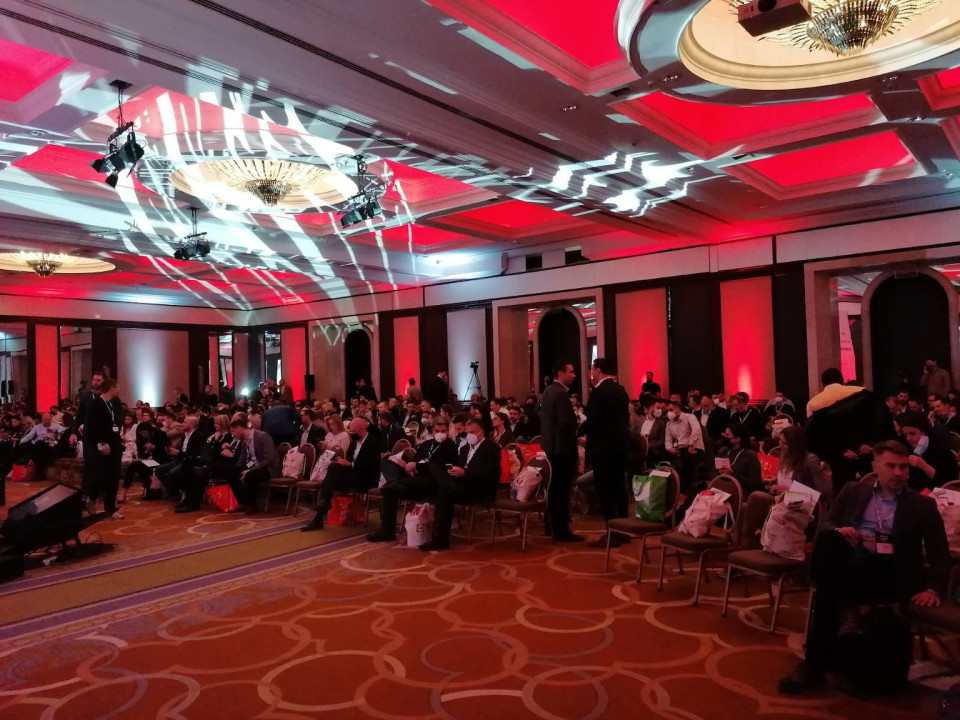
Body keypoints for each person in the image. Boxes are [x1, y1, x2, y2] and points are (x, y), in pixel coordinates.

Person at [778, 440, 949, 695]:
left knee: (828, 594)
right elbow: (827, 524)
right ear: (875, 466)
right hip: (853, 563)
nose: (899, 473)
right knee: (832, 542)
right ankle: (846, 619)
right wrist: (841, 530)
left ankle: (814, 665)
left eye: (903, 467)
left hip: (891, 571)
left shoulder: (921, 505)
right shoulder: (853, 491)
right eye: (891, 466)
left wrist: (933, 589)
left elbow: (939, 551)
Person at [367, 418, 458, 542]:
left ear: (448, 431)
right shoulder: (426, 444)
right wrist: (409, 466)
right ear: (432, 431)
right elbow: (416, 460)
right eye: (437, 431)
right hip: (415, 477)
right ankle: (387, 531)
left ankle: (395, 482)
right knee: (387, 466)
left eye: (443, 431)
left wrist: (417, 466)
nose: (440, 434)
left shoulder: (450, 446)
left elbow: (440, 468)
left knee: (390, 487)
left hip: (431, 482)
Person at [419, 418, 502, 551]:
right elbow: (460, 467)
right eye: (467, 432)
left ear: (481, 432)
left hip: (480, 488)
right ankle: (439, 538)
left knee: (444, 492)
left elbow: (489, 472)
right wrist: (454, 471)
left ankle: (440, 539)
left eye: (472, 432)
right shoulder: (464, 449)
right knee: (435, 470)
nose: (469, 435)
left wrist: (465, 473)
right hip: (462, 485)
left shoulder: (492, 448)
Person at [806, 368, 896, 489]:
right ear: (842, 381)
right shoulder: (862, 392)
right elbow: (881, 420)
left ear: (822, 384)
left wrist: (842, 450)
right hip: (866, 454)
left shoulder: (813, 403)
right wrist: (872, 444)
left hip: (837, 461)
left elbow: (815, 437)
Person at [581, 359, 631, 547]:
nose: (591, 373)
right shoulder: (621, 391)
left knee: (605, 490)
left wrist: (577, 430)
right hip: (620, 447)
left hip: (603, 448)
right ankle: (624, 531)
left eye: (592, 369)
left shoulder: (599, 392)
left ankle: (612, 533)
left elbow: (593, 421)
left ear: (598, 370)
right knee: (619, 489)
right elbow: (625, 418)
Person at [301, 417, 380, 531]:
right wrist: (342, 462)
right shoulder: (354, 443)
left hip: (366, 478)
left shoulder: (373, 443)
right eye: (350, 431)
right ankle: (321, 511)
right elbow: (348, 459)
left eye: (353, 431)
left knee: (334, 473)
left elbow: (371, 467)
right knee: (334, 467)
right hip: (352, 475)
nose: (351, 434)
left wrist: (350, 464)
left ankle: (322, 509)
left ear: (362, 429)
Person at [539, 361, 583, 543]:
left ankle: (551, 527)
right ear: (560, 373)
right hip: (563, 450)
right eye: (570, 372)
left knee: (553, 490)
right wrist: (577, 425)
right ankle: (562, 531)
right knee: (561, 492)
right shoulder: (561, 394)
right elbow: (566, 424)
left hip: (551, 448)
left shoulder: (548, 391)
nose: (574, 375)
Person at [82, 379, 124, 519]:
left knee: (113, 476)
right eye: (117, 387)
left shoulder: (112, 404)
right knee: (100, 475)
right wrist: (102, 443)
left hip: (114, 445)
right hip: (102, 446)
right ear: (111, 388)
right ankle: (92, 498)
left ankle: (110, 509)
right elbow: (93, 427)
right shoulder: (95, 404)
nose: (118, 390)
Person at [222, 418, 280, 514]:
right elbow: (243, 457)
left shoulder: (263, 436)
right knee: (231, 473)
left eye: (233, 431)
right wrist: (236, 469)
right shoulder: (244, 440)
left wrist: (252, 470)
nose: (233, 435)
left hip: (268, 468)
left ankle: (251, 504)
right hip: (253, 466)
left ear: (239, 428)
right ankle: (242, 502)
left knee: (250, 475)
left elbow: (269, 458)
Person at [898, 412, 958, 492]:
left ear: (924, 432)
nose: (908, 438)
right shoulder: (907, 450)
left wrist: (924, 466)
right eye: (905, 435)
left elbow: (949, 484)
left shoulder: (942, 451)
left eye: (912, 434)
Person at [772, 426, 829, 500]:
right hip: (781, 498)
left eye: (785, 444)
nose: (780, 446)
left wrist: (791, 491)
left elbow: (822, 493)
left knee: (758, 497)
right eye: (780, 440)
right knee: (758, 496)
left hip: (800, 502)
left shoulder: (810, 460)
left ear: (795, 446)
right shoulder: (784, 456)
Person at [664, 399, 705, 493]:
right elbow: (668, 439)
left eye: (671, 410)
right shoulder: (669, 423)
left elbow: (696, 431)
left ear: (677, 409)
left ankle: (689, 487)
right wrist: (669, 448)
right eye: (667, 411)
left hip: (694, 447)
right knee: (664, 457)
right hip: (679, 448)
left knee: (687, 457)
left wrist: (690, 444)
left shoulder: (690, 417)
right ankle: (674, 487)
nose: (669, 412)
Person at [716, 425, 763, 494]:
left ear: (738, 439)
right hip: (721, 490)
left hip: (741, 493)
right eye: (724, 434)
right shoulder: (723, 451)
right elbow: (714, 473)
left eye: (727, 435)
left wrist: (733, 474)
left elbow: (755, 484)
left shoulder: (750, 456)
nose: (724, 437)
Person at [639, 397, 667, 462]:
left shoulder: (661, 423)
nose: (660, 410)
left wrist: (648, 445)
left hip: (651, 450)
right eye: (658, 408)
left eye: (661, 408)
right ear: (650, 408)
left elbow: (661, 441)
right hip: (639, 447)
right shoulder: (639, 420)